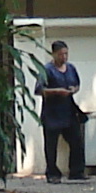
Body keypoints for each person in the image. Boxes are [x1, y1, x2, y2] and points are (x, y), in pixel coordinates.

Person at [36, 39, 86, 182]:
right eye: (60, 54)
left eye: (66, 54)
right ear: (53, 54)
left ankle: (77, 171)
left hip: (69, 111)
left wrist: (73, 90)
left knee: (76, 140)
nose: (64, 57)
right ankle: (52, 173)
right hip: (52, 113)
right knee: (51, 145)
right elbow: (39, 90)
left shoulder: (71, 68)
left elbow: (77, 84)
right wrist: (57, 91)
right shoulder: (46, 70)